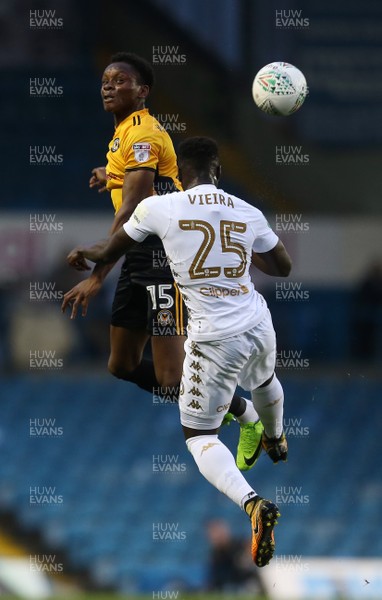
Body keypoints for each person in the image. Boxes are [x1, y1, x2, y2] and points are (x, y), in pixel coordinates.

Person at [66, 136, 291, 566]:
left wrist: (84, 255)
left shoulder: (160, 208)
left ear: (179, 175)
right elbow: (282, 267)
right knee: (264, 379)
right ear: (217, 173)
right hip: (258, 322)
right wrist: (242, 252)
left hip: (213, 339)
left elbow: (111, 248)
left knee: (200, 436)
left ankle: (253, 504)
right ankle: (276, 437)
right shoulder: (247, 212)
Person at [61, 52, 267, 466]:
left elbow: (132, 210)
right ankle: (228, 403)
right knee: (120, 365)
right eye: (105, 79)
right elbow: (147, 183)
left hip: (158, 256)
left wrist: (99, 274)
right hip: (138, 255)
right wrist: (112, 174)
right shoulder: (125, 135)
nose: (108, 85)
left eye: (120, 80)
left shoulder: (145, 133)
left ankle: (246, 414)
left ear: (143, 91)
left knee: (170, 379)